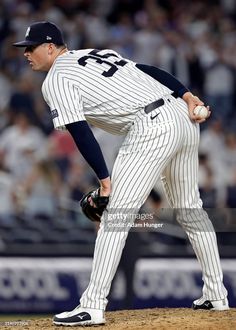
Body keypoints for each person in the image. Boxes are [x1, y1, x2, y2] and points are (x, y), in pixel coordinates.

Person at [13, 21, 229, 326]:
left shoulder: (56, 78)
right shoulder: (96, 53)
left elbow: (80, 131)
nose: (26, 54)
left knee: (115, 216)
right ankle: (216, 294)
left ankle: (92, 305)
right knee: (191, 210)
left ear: (50, 47)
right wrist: (186, 95)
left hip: (151, 125)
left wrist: (104, 181)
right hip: (181, 117)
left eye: (30, 48)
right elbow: (148, 69)